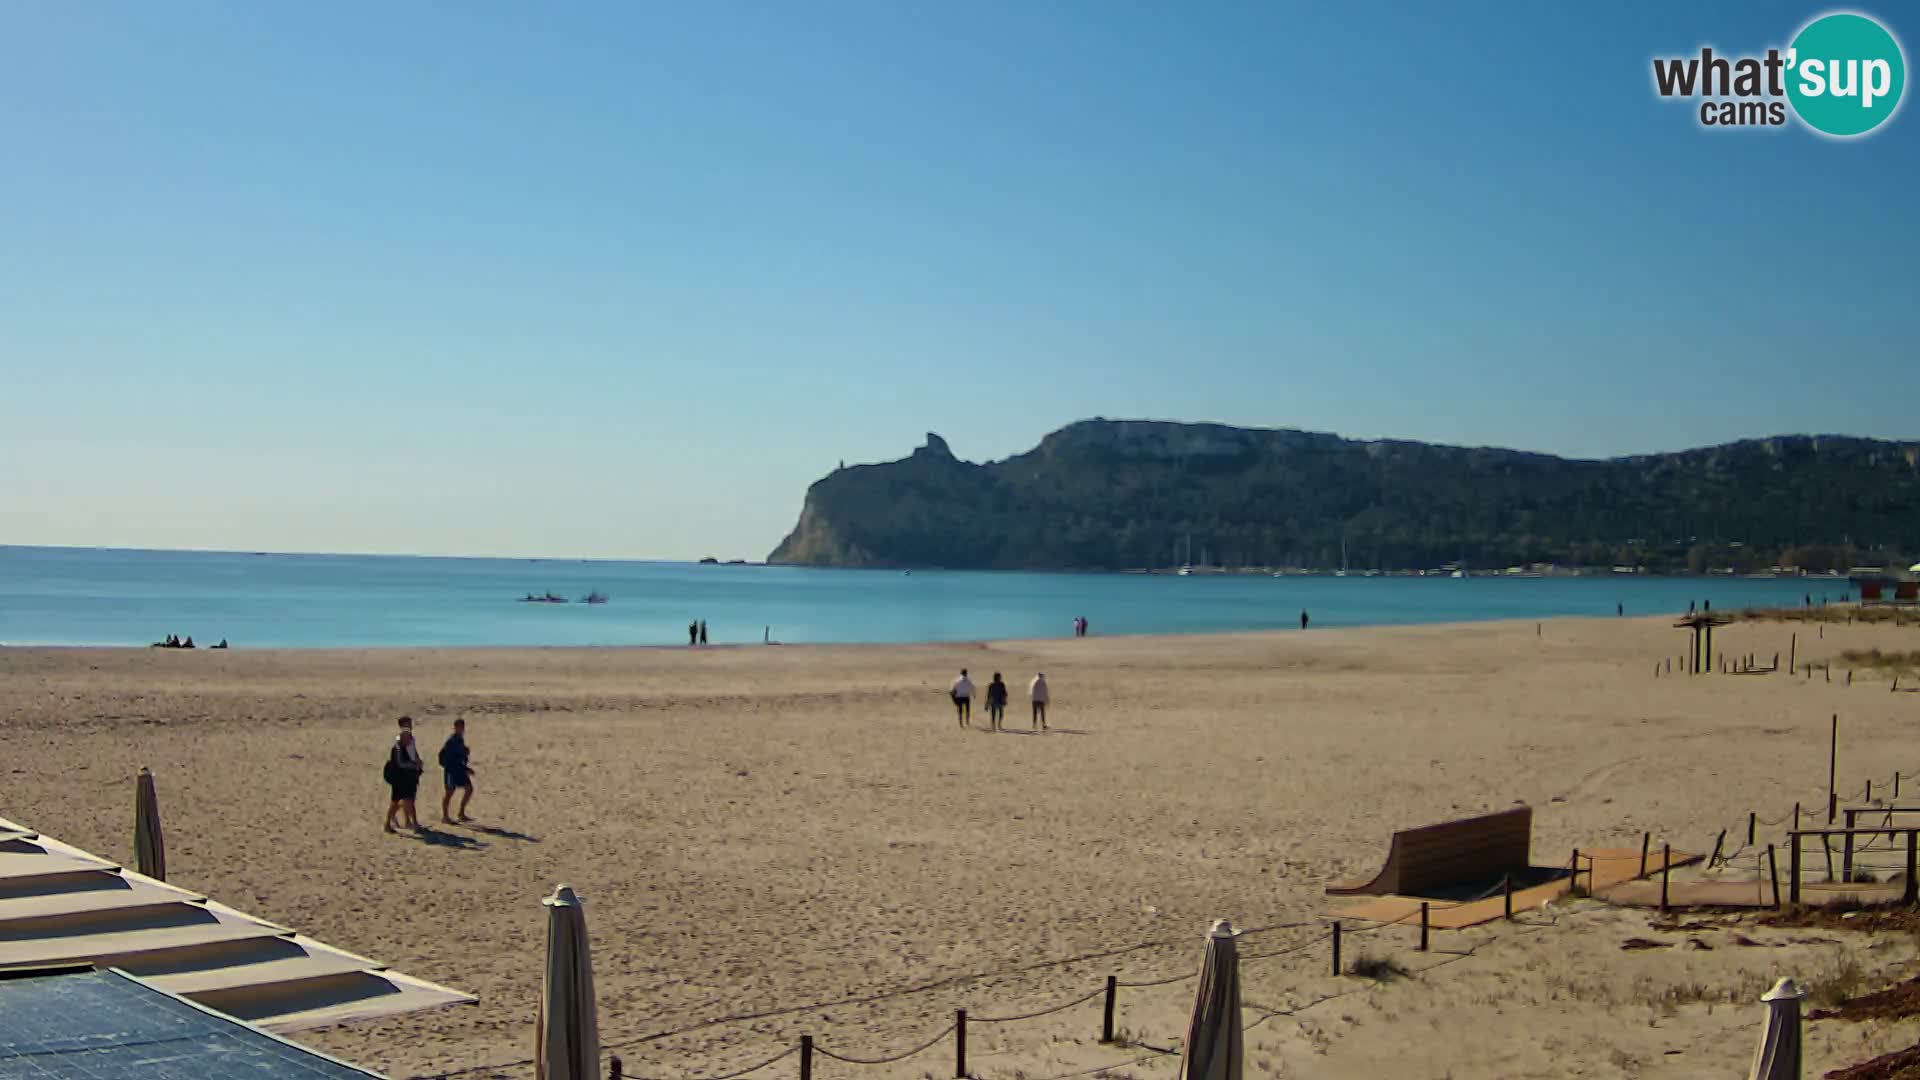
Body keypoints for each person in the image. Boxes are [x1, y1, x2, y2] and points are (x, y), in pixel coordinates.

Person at [384, 718, 424, 833]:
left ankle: (411, 823)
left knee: (409, 800)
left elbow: (413, 753)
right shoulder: (398, 741)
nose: (410, 726)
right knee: (396, 801)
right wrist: (413, 765)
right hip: (400, 777)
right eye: (408, 724)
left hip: (410, 776)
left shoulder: (411, 739)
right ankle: (388, 823)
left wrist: (418, 762)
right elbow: (400, 762)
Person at [439, 718, 475, 823]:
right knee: (449, 792)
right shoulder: (451, 741)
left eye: (463, 727)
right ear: (455, 727)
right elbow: (450, 758)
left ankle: (461, 813)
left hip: (459, 769)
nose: (462, 729)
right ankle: (445, 817)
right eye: (460, 727)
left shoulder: (460, 739)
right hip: (451, 770)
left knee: (469, 789)